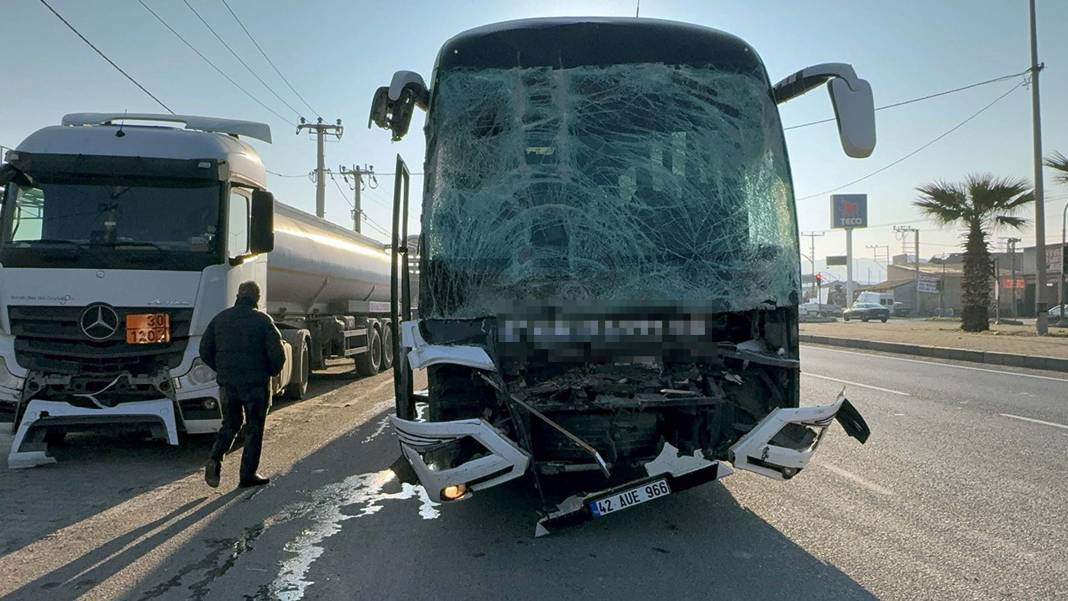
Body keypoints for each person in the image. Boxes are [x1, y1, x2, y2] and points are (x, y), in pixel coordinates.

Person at [200, 281, 285, 488]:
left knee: (230, 424)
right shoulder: (263, 321)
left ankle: (215, 458)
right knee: (254, 427)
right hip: (256, 385)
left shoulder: (220, 319)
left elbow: (204, 350)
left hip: (228, 384)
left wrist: (222, 369)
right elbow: (278, 355)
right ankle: (247, 475)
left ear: (238, 295)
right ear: (257, 298)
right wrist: (270, 373)